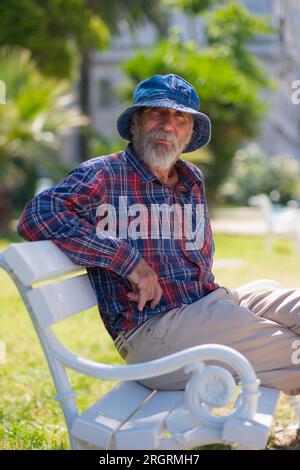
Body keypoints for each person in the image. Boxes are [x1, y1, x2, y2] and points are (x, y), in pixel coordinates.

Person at [17, 74, 300, 394]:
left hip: (207, 304)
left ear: (190, 132)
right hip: (153, 333)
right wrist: (128, 261)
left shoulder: (191, 178)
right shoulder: (104, 174)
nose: (167, 125)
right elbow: (37, 215)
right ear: (135, 123)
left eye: (180, 117)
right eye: (156, 113)